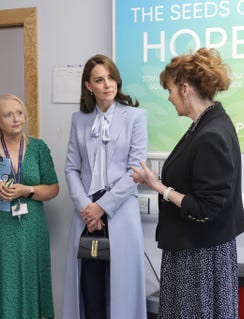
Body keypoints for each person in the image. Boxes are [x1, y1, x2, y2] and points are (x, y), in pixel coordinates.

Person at [130, 47, 244, 318]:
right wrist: (156, 181)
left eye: (169, 90)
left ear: (184, 89)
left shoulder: (211, 135)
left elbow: (204, 207)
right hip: (195, 250)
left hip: (199, 259)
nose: (169, 98)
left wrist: (159, 187)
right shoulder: (205, 124)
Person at [62, 54, 147, 319]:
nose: (107, 84)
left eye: (111, 78)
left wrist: (102, 207)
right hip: (86, 211)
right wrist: (86, 207)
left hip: (119, 210)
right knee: (91, 284)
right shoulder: (79, 119)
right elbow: (71, 168)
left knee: (121, 285)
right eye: (99, 80)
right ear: (89, 86)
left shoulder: (135, 116)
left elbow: (135, 170)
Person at [0, 93, 59, 319]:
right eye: (8, 115)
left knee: (29, 280)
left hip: (31, 229)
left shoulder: (38, 148)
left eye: (19, 113)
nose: (16, 119)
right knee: (1, 281)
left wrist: (27, 190)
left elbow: (53, 188)